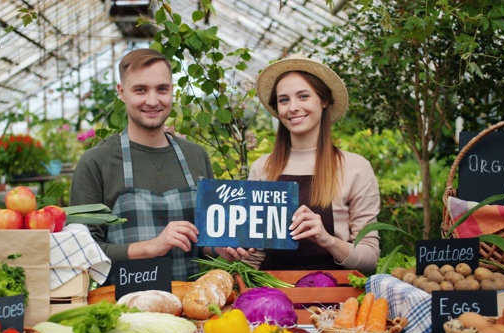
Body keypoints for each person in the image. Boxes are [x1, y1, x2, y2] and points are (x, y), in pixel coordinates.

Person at [70, 48, 250, 282]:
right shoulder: (97, 162)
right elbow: (83, 253)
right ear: (122, 93)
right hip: (126, 309)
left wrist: (219, 249)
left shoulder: (196, 157)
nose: (153, 101)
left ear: (172, 92)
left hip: (194, 305)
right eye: (141, 90)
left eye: (162, 89)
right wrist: (151, 247)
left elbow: (204, 240)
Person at [245, 53, 380, 274]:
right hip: (272, 294)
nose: (293, 107)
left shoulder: (355, 168)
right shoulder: (262, 168)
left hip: (337, 297)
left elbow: (370, 260)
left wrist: (327, 240)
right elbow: (256, 256)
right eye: (284, 100)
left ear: (324, 100)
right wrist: (234, 256)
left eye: (303, 96)